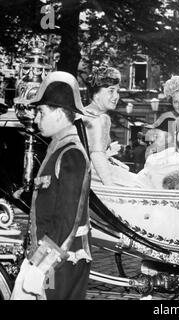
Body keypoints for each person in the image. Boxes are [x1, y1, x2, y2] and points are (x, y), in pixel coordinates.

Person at [11, 71, 91, 300]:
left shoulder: (72, 154)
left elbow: (67, 221)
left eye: (41, 112)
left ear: (58, 113)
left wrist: (40, 266)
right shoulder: (57, 149)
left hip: (60, 261)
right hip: (46, 255)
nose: (36, 119)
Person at [82, 66, 149, 187]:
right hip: (95, 176)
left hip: (84, 174)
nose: (116, 96)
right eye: (111, 91)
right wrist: (110, 187)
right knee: (143, 185)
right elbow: (96, 155)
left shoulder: (83, 113)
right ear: (96, 95)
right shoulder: (102, 118)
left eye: (117, 91)